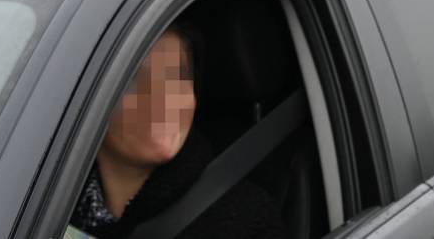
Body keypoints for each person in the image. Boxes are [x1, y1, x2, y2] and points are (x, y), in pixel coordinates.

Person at [67, 23, 285, 239]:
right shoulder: (48, 196)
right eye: (134, 80)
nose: (163, 99)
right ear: (88, 100)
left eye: (176, 78)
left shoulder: (245, 221)